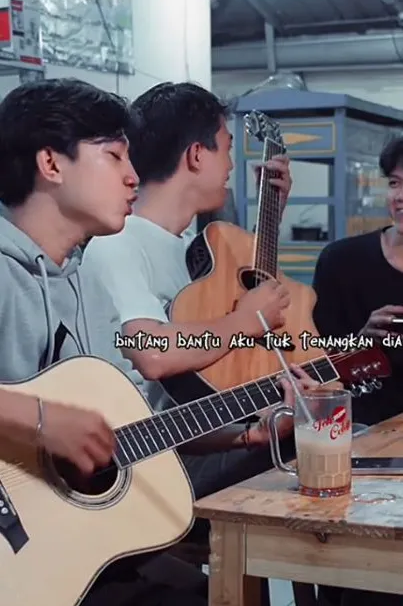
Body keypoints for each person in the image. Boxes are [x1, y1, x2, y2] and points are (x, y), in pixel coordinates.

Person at [0, 78, 335, 606]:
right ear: (50, 163)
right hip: (23, 567)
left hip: (88, 556)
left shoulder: (79, 277)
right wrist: (37, 418)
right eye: (114, 156)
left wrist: (253, 422)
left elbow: (131, 422)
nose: (132, 175)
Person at [83, 82, 295, 523]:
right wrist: (249, 318)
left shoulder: (190, 249)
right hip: (137, 469)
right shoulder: (119, 243)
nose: (232, 164)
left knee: (325, 439)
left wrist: (253, 431)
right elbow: (154, 356)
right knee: (311, 460)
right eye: (226, 148)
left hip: (193, 439)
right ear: (197, 156)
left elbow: (217, 359)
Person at [312, 135, 403, 606]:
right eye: (396, 183)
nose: (401, 196)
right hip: (361, 448)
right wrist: (361, 338)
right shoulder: (343, 262)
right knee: (374, 567)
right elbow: (312, 367)